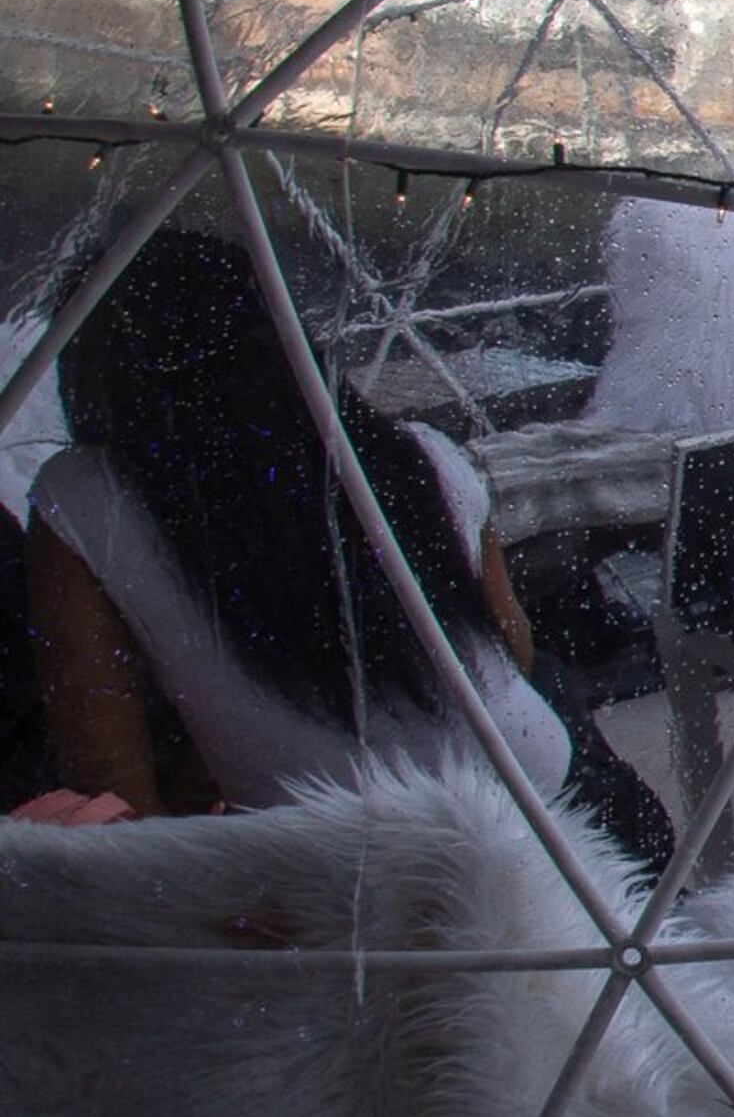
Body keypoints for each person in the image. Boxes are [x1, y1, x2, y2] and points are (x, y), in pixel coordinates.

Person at [25, 229, 663, 860]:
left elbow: (104, 765)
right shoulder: (421, 457)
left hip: (330, 864)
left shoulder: (83, 497)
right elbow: (511, 646)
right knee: (549, 676)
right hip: (528, 807)